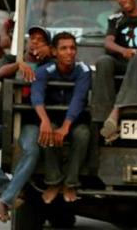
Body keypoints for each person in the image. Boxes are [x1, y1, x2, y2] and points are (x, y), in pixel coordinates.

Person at [0, 26, 52, 223]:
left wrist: (50, 56)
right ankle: (5, 190)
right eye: (32, 38)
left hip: (31, 122)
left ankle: (5, 200)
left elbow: (67, 65)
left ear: (48, 46)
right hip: (5, 123)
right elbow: (0, 73)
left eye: (41, 40)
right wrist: (18, 65)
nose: (35, 42)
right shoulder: (12, 59)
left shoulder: (50, 65)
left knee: (32, 150)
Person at [31, 32, 91, 203]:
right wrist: (45, 121)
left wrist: (66, 127)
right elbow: (37, 95)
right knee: (45, 133)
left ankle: (70, 184)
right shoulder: (45, 70)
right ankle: (54, 182)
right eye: (63, 48)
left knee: (83, 134)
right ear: (54, 52)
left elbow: (79, 99)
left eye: (72, 48)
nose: (69, 52)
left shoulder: (83, 70)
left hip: (75, 121)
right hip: (53, 118)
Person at [91, 0, 137, 142]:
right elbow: (108, 42)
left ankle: (116, 111)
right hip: (123, 62)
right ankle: (105, 122)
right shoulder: (116, 19)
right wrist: (123, 51)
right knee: (103, 61)